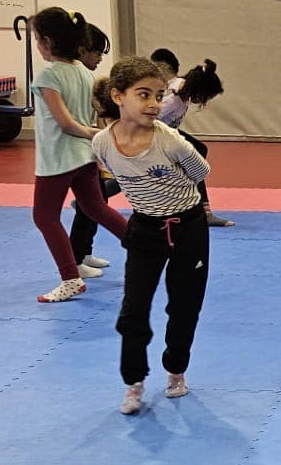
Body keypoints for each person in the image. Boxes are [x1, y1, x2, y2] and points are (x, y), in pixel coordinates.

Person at [91, 56, 212, 413]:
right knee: (133, 310)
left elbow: (200, 170)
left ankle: (176, 369)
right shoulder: (101, 143)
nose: (154, 104)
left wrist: (171, 191)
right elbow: (117, 173)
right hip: (145, 229)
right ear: (118, 96)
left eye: (159, 95)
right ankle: (134, 382)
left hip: (188, 227)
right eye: (143, 95)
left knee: (184, 305)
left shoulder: (170, 141)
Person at [28, 7, 128, 303]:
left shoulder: (48, 76)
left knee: (44, 217)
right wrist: (96, 143)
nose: (37, 45)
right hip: (84, 158)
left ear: (46, 41)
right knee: (96, 207)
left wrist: (94, 135)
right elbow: (93, 115)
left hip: (58, 159)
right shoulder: (84, 72)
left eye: (36, 39)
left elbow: (65, 122)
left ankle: (70, 278)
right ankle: (145, 246)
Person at [69, 25, 121, 279]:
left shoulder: (88, 79)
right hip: (78, 151)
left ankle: (85, 252)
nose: (100, 58)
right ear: (82, 50)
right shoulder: (75, 78)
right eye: (97, 52)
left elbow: (99, 115)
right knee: (89, 206)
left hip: (90, 149)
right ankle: (75, 259)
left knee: (98, 202)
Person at [160, 58, 232, 227]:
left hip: (167, 133)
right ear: (200, 90)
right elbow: (145, 121)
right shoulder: (173, 101)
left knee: (198, 151)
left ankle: (201, 207)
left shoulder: (182, 86)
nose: (205, 102)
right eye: (207, 97)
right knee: (194, 156)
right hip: (153, 136)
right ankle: (201, 209)